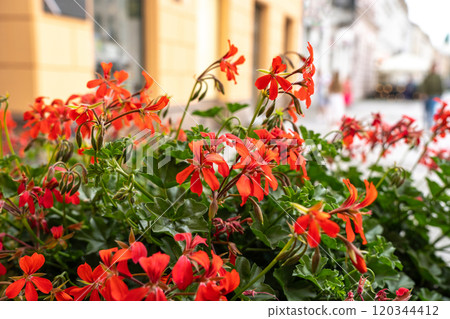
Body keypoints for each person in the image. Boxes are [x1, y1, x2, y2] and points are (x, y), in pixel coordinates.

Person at [421, 64, 443, 128]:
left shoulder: (438, 77)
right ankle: (428, 124)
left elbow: (441, 86)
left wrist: (440, 95)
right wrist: (423, 93)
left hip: (434, 96)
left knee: (432, 110)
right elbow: (424, 85)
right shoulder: (428, 76)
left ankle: (431, 125)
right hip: (427, 96)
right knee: (427, 110)